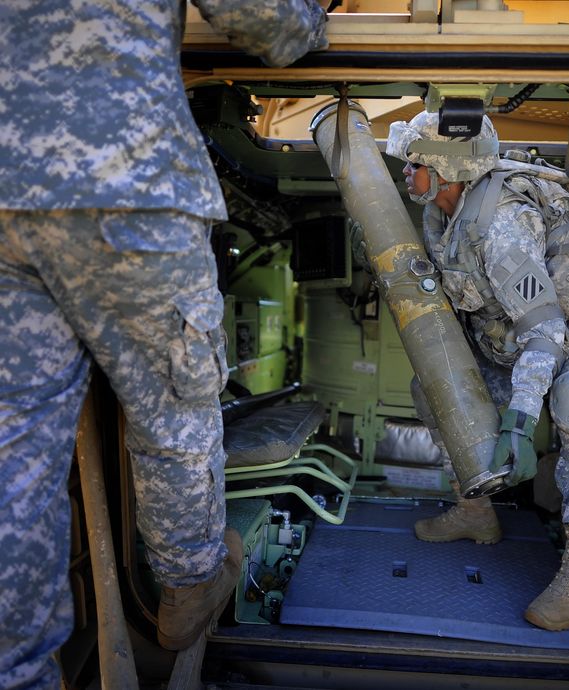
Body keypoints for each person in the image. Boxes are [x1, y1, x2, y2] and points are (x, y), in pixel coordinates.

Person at [0, 1, 327, 687]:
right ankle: (185, 587)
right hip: (126, 179)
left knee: (13, 449)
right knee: (175, 408)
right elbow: (272, 24)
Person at [386, 110, 569, 632]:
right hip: (519, 332)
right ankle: (474, 511)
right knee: (435, 389)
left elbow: (544, 332)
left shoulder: (502, 226)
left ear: (446, 170)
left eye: (414, 162)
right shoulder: (442, 212)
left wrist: (519, 423)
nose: (405, 172)